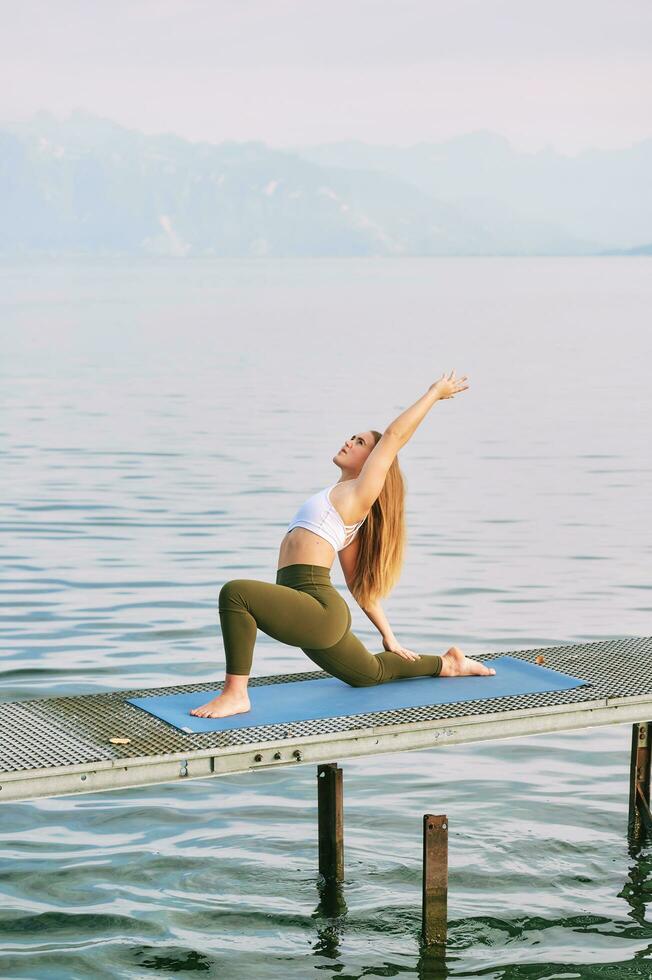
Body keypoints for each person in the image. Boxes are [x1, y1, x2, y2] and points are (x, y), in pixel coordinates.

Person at [191, 369, 495, 719]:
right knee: (368, 674)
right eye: (353, 437)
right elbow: (358, 587)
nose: (350, 441)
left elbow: (394, 437)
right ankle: (448, 663)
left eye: (362, 443)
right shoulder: (338, 500)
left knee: (236, 593)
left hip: (317, 606)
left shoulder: (359, 494)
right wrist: (389, 637)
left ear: (373, 462)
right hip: (307, 608)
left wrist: (434, 393)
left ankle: (235, 694)